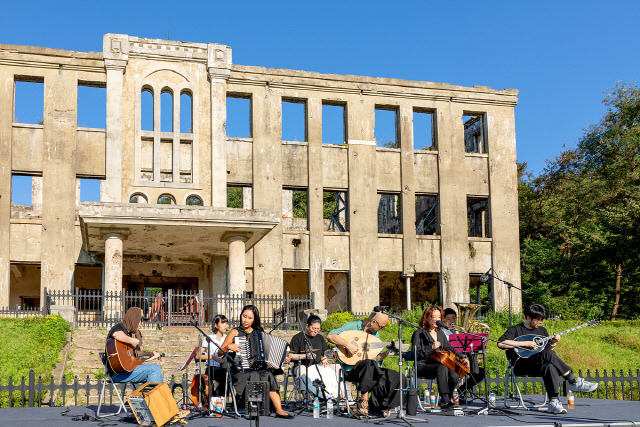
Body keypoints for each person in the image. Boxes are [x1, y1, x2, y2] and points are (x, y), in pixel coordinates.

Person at [498, 303, 598, 414]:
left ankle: (553, 402)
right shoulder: (515, 329)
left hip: (537, 365)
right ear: (528, 318)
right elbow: (501, 344)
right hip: (520, 364)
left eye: (542, 320)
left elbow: (546, 350)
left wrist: (553, 343)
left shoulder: (542, 331)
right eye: (538, 320)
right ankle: (573, 380)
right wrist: (525, 343)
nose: (540, 322)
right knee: (549, 354)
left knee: (549, 365)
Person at [219, 305, 293, 419]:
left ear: (254, 320)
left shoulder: (259, 332)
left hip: (258, 368)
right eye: (244, 316)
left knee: (268, 374)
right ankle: (252, 408)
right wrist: (229, 346)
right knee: (254, 374)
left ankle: (279, 409)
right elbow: (219, 352)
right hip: (240, 370)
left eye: (249, 318)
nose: (246, 320)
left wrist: (284, 359)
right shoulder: (235, 332)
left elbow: (269, 350)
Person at [327, 311, 404, 416]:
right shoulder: (352, 326)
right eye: (381, 327)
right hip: (352, 370)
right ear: (373, 322)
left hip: (371, 369)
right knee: (369, 364)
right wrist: (347, 345)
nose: (381, 329)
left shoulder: (375, 335)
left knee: (397, 377)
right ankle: (364, 398)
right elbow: (331, 336)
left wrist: (388, 352)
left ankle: (377, 406)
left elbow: (377, 358)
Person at [410, 305, 469, 409]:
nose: (436, 320)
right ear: (427, 318)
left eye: (438, 317)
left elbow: (450, 348)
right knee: (442, 368)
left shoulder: (440, 333)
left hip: (440, 365)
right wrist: (431, 347)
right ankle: (445, 400)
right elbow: (416, 353)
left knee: (454, 375)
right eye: (433, 317)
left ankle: (446, 400)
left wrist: (462, 357)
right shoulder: (419, 333)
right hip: (423, 365)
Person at [287, 314, 340, 399]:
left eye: (318, 329)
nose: (316, 331)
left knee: (338, 367)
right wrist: (305, 356)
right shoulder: (297, 338)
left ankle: (342, 396)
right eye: (314, 328)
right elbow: (290, 356)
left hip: (318, 366)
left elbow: (325, 353)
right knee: (301, 370)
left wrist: (325, 359)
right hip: (302, 366)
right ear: (307, 326)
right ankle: (306, 398)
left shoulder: (320, 338)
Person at [106, 307, 163, 383]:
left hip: (127, 371)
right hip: (118, 374)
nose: (142, 324)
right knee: (155, 368)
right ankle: (152, 395)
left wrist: (150, 358)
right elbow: (116, 334)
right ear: (134, 319)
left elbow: (133, 363)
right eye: (140, 320)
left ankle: (150, 394)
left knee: (158, 375)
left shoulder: (129, 334)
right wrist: (132, 340)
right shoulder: (120, 327)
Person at [196, 314, 229, 397]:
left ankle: (226, 400)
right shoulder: (209, 338)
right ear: (216, 325)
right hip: (212, 368)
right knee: (225, 374)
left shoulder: (227, 338)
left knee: (231, 374)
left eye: (226, 323)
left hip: (224, 367)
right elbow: (197, 356)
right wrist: (212, 357)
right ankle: (218, 398)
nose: (225, 325)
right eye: (222, 323)